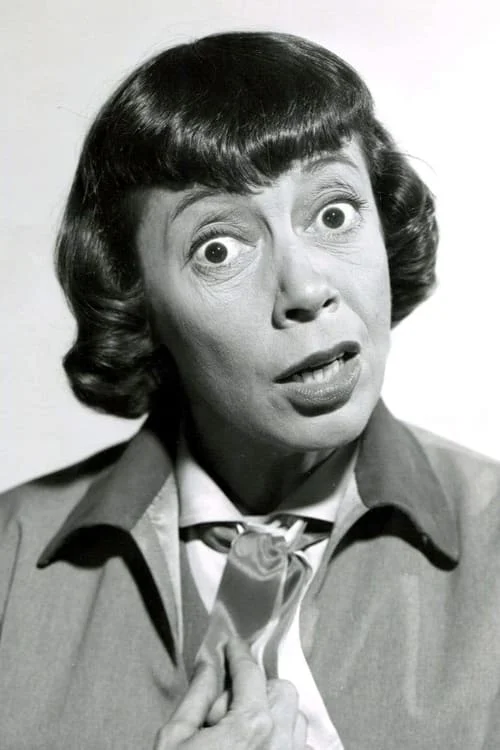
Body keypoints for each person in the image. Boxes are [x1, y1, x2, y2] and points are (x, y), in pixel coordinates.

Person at [1, 30, 499, 750]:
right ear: (136, 301)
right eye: (219, 249)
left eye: (334, 214)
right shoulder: (11, 560)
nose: (305, 289)